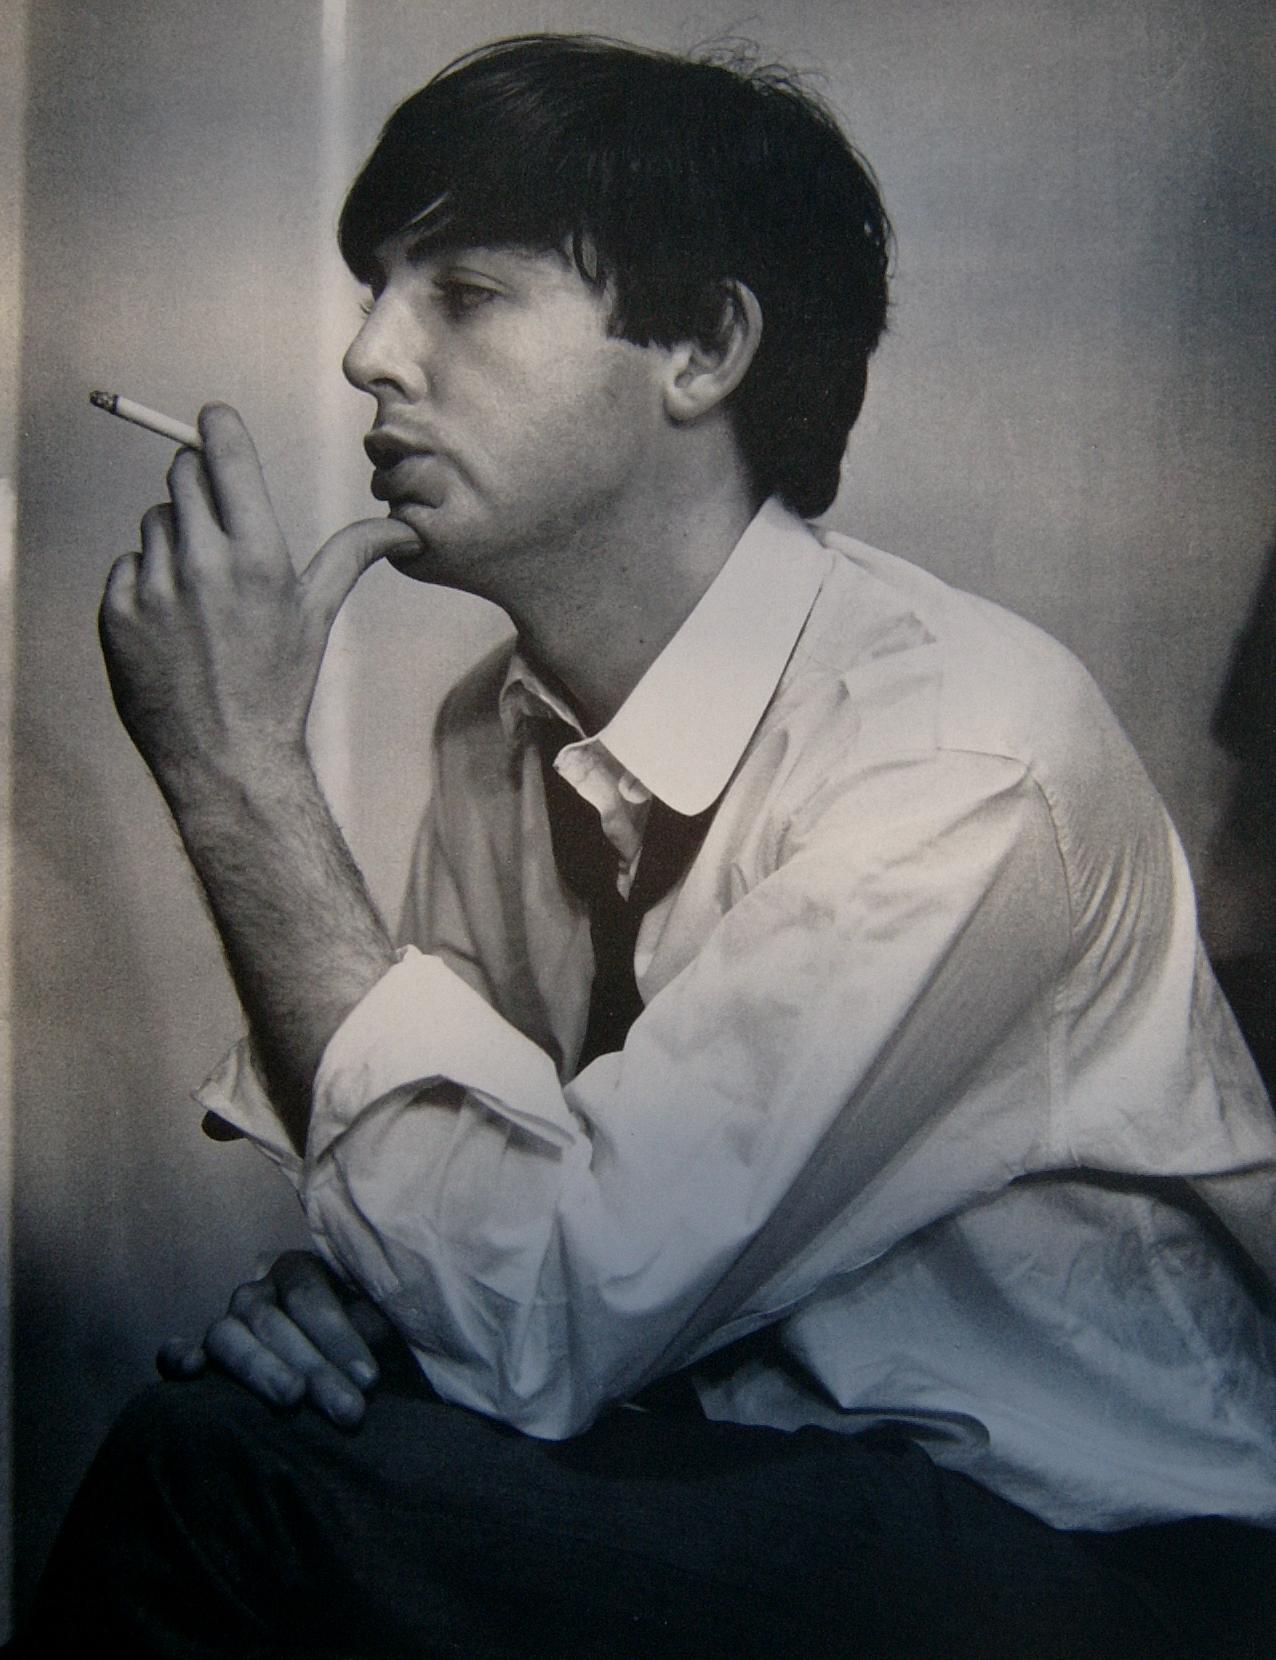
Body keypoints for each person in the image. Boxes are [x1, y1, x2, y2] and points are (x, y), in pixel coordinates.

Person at [15, 32, 1276, 1659]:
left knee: (223, 1484)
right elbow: (487, 1221)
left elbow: (547, 1303)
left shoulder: (957, 755)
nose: (368, 356)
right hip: (743, 1470)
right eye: (375, 292)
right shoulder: (495, 735)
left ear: (704, 349)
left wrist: (234, 766)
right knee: (259, 1428)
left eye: (465, 294)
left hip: (1105, 1565)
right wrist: (366, 1300)